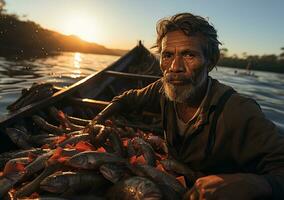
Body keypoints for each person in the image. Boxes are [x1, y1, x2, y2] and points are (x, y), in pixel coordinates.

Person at [89, 13, 284, 199]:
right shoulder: (162, 89)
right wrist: (98, 121)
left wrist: (254, 184)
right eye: (167, 56)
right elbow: (126, 99)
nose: (175, 67)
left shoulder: (239, 111)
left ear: (210, 61)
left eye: (189, 55)